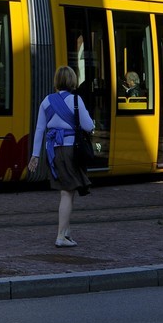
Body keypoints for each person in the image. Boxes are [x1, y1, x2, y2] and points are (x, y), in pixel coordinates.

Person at [27, 65, 95, 247]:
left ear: (56, 80)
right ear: (72, 80)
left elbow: (40, 129)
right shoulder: (76, 100)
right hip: (70, 151)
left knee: (68, 191)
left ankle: (66, 233)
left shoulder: (46, 101)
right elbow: (88, 126)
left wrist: (35, 155)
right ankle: (60, 236)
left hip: (53, 152)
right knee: (66, 193)